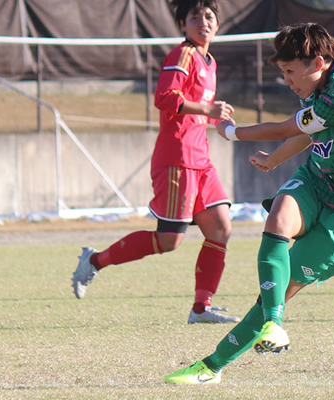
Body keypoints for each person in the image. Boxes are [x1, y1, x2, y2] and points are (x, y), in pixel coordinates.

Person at [164, 22, 334, 384]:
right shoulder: (320, 80)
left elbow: (289, 127)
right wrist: (275, 161)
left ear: (317, 62)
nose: (286, 81)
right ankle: (275, 325)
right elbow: (307, 131)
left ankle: (212, 366)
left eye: (289, 72)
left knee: (279, 291)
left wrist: (232, 132)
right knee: (278, 219)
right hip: (319, 181)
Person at [71, 0, 240, 324]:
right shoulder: (183, 54)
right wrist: (207, 111)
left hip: (200, 158)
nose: (203, 22)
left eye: (209, 16)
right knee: (169, 240)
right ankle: (94, 261)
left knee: (220, 227)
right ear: (182, 25)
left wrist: (215, 120)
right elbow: (164, 98)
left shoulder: (209, 62)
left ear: (217, 23)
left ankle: (201, 309)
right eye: (194, 17)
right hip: (177, 158)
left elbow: (196, 110)